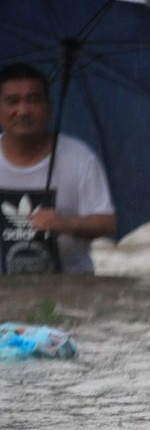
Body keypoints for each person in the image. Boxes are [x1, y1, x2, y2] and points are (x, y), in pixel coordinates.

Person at [0, 63, 116, 274]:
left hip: (70, 285)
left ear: (49, 108)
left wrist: (65, 223)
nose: (23, 111)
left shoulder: (79, 157)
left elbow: (107, 222)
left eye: (33, 100)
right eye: (12, 101)